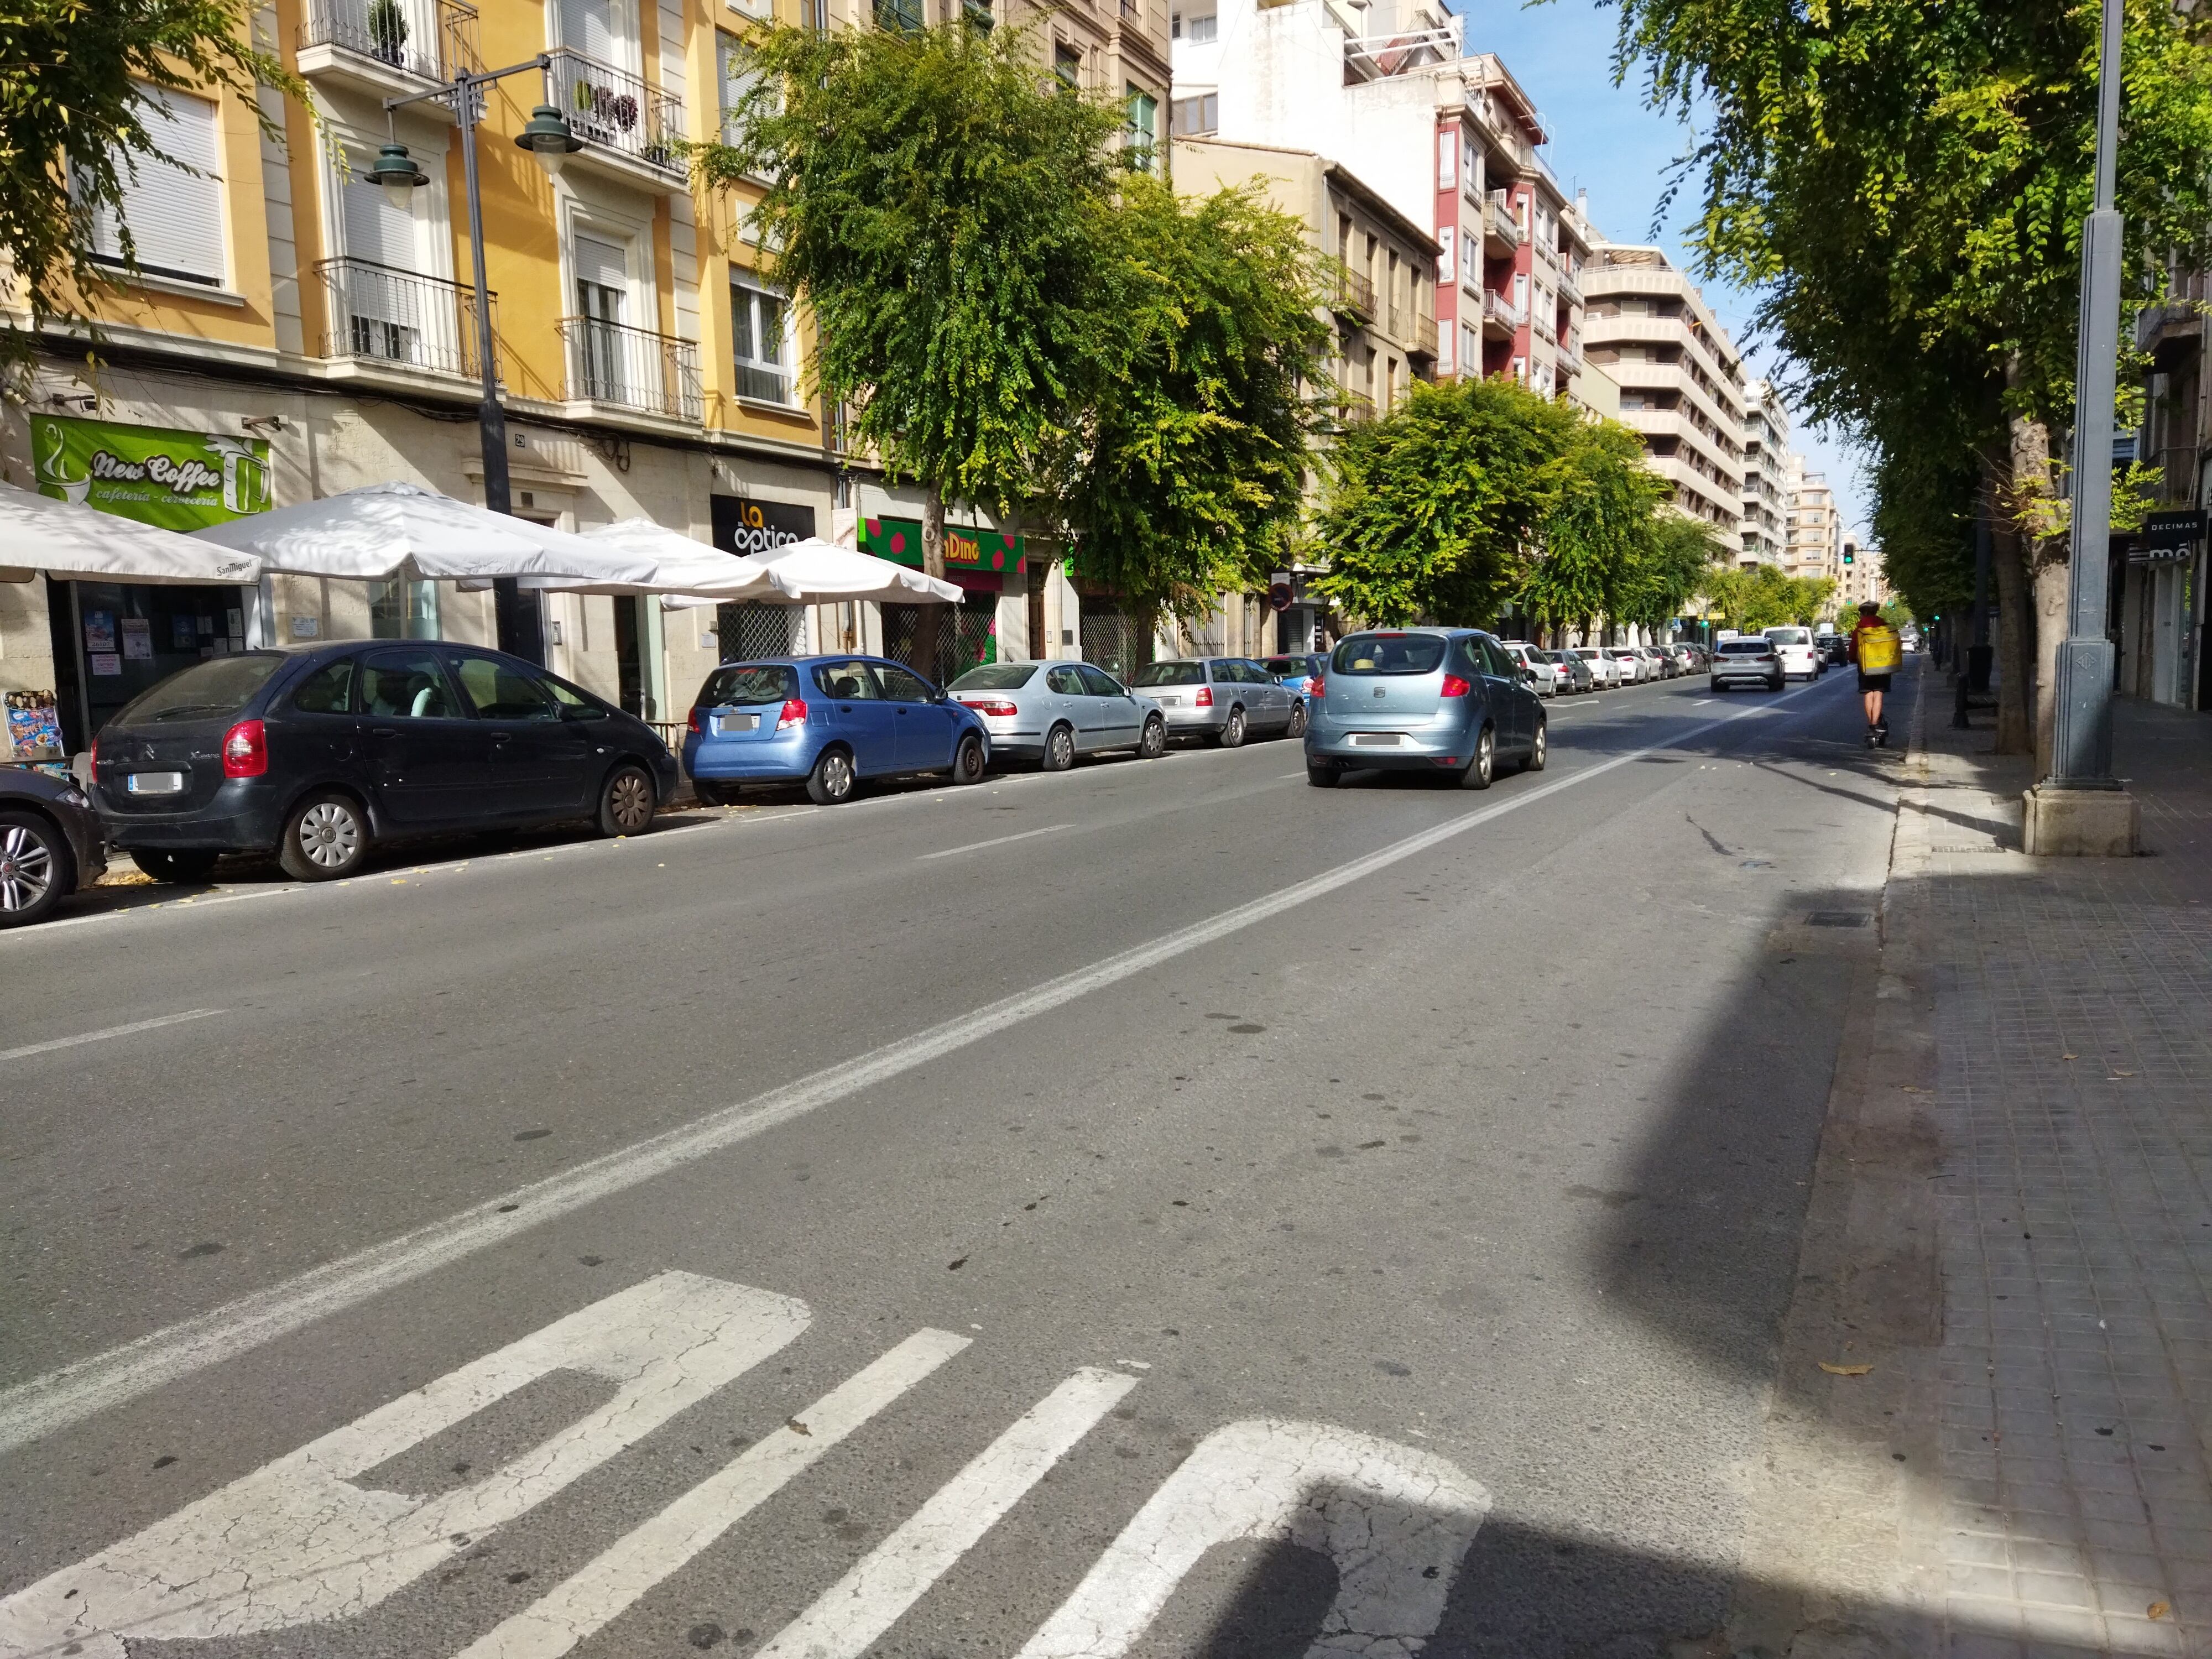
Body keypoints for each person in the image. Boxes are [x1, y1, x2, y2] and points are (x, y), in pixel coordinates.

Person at [1846, 601, 1892, 742]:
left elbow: (1853, 650)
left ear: (1863, 613)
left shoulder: (1859, 630)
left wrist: (1854, 659)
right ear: (1876, 612)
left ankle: (1871, 726)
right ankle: (1876, 723)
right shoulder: (1885, 626)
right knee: (1878, 693)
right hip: (1883, 664)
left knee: (1868, 693)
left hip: (1865, 666)